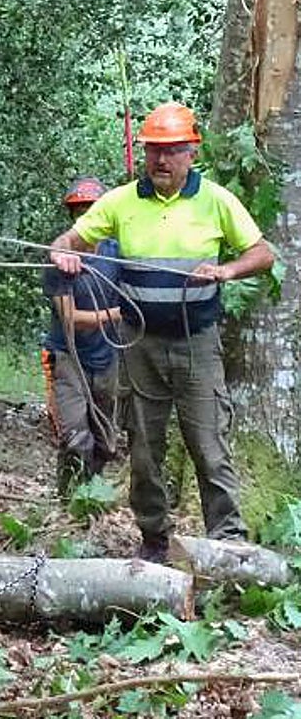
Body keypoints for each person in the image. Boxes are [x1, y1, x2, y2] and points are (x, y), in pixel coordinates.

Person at [49, 102, 274, 563]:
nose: (161, 160)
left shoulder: (215, 199)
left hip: (197, 341)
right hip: (140, 341)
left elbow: (262, 252)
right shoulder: (120, 201)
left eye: (172, 150)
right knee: (144, 448)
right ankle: (154, 540)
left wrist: (227, 271)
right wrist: (64, 251)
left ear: (192, 152)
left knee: (209, 443)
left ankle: (227, 545)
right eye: (154, 150)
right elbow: (70, 239)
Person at [41, 177, 123, 497]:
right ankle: (68, 499)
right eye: (80, 211)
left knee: (105, 441)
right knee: (76, 437)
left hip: (107, 358)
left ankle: (91, 495)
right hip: (67, 357)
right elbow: (71, 320)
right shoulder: (59, 260)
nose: (86, 216)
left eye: (93, 210)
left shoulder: (117, 253)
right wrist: (121, 313)